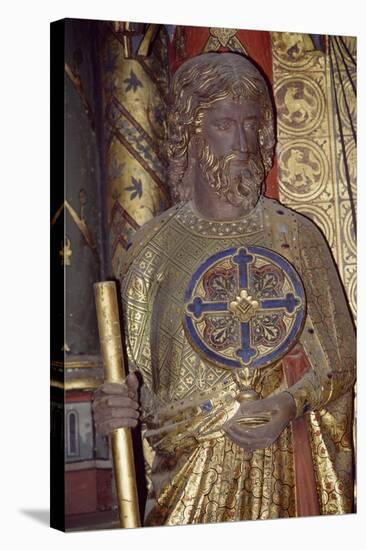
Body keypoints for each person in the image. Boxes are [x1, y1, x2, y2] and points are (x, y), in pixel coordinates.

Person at [92, 53, 356, 525]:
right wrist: (114, 404)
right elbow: (133, 376)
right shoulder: (151, 248)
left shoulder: (295, 236)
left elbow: (340, 358)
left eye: (253, 125)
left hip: (283, 473)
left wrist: (287, 402)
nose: (243, 142)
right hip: (186, 477)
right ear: (191, 135)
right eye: (224, 124)